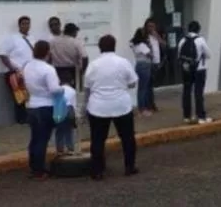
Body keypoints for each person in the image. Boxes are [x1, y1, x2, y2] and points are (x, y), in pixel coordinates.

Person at [84, 35, 139, 180]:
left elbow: (87, 87)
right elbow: (133, 82)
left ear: (99, 47)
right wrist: (122, 86)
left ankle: (97, 170)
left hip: (98, 107)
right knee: (127, 138)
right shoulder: (123, 62)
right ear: (114, 46)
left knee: (97, 140)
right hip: (121, 105)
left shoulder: (93, 64)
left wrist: (85, 106)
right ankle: (129, 167)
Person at [22, 40, 63, 180]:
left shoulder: (27, 66)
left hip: (32, 105)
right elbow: (54, 89)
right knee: (42, 140)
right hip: (45, 106)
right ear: (47, 52)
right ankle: (39, 170)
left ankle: (34, 168)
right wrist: (63, 88)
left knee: (34, 139)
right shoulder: (48, 69)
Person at [0, 16, 37, 124]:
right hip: (15, 73)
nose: (26, 26)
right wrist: (13, 68)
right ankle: (21, 119)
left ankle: (29, 117)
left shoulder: (32, 38)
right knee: (19, 97)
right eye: (23, 23)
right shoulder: (12, 38)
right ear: (19, 25)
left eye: (28, 23)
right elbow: (2, 54)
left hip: (29, 72)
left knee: (29, 96)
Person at [178, 21, 213, 124]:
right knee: (198, 93)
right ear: (198, 29)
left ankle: (186, 116)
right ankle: (201, 116)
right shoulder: (200, 40)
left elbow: (179, 55)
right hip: (199, 69)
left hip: (186, 69)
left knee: (186, 92)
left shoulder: (182, 40)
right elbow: (208, 55)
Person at [49, 23, 88, 88]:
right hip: (72, 71)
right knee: (73, 90)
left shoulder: (53, 41)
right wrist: (82, 71)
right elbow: (85, 57)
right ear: (73, 32)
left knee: (58, 89)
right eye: (76, 32)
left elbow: (49, 55)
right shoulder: (76, 42)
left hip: (57, 70)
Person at [131, 28, 154, 116]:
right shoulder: (142, 45)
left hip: (139, 65)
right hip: (145, 65)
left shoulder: (135, 45)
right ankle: (143, 109)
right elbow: (150, 54)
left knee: (141, 88)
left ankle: (142, 108)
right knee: (144, 88)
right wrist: (150, 47)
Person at [143, 18, 165, 111]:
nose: (151, 28)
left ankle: (151, 104)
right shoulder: (144, 37)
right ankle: (148, 104)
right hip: (148, 63)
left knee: (151, 85)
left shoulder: (156, 36)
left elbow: (164, 44)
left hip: (156, 63)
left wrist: (157, 36)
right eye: (149, 26)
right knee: (147, 85)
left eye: (153, 26)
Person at [54, 76, 77, 155]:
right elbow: (74, 105)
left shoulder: (57, 90)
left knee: (59, 130)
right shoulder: (73, 90)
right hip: (69, 109)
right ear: (70, 82)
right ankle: (70, 149)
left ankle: (60, 150)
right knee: (69, 130)